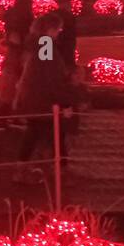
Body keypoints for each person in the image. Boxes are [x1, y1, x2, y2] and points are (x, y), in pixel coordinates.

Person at [12, 12, 79, 184]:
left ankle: (24, 168)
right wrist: (65, 102)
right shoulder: (46, 46)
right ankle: (60, 170)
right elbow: (50, 76)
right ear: (50, 29)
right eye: (58, 29)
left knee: (35, 133)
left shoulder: (36, 45)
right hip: (43, 99)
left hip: (33, 98)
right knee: (56, 134)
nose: (60, 32)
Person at [0, 0, 35, 130]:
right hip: (20, 53)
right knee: (16, 87)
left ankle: (12, 117)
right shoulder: (25, 13)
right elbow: (20, 34)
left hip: (15, 52)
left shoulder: (11, 12)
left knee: (14, 87)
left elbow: (11, 34)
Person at [53, 0, 78, 75]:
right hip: (65, 55)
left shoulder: (51, 16)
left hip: (55, 55)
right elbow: (70, 40)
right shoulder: (68, 17)